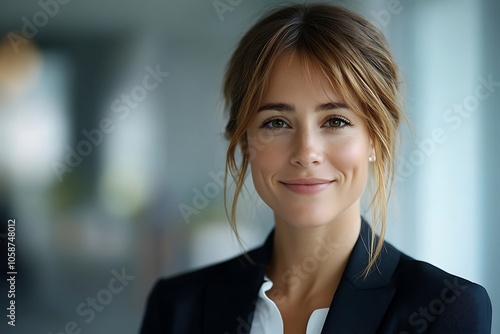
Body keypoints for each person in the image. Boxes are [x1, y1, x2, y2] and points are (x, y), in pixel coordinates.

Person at [140, 3, 492, 333]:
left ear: (375, 138)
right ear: (244, 142)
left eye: (335, 121)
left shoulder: (446, 308)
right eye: (276, 123)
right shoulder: (176, 307)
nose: (306, 152)